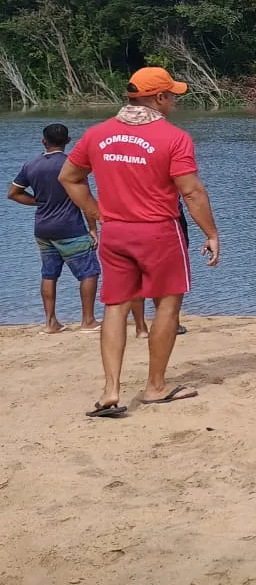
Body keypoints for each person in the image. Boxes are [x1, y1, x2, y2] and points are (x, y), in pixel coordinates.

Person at [60, 67, 220, 418]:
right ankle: (155, 386)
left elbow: (69, 177)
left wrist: (96, 211)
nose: (176, 100)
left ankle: (111, 390)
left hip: (115, 233)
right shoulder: (173, 137)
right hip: (159, 232)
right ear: (159, 97)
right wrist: (211, 233)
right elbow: (191, 191)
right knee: (167, 304)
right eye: (172, 95)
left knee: (115, 306)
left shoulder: (97, 134)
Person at [8, 123, 101, 334]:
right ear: (68, 141)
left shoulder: (31, 165)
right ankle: (88, 321)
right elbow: (84, 198)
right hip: (70, 227)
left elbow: (13, 193)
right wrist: (93, 228)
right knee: (89, 272)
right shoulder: (72, 165)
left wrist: (38, 202)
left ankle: (50, 323)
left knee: (49, 274)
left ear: (44, 141)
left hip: (43, 228)